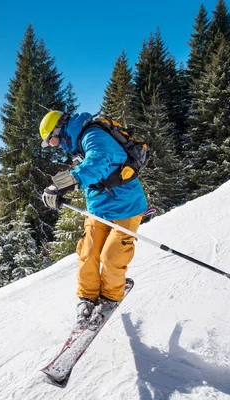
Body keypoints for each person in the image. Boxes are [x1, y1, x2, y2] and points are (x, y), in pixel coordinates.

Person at [39, 110, 148, 329]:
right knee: (88, 253)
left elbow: (98, 162)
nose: (55, 146)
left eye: (52, 140)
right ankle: (87, 298)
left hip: (126, 207)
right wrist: (56, 189)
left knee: (112, 256)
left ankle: (109, 298)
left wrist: (64, 184)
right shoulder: (78, 142)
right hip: (98, 208)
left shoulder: (93, 135)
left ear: (60, 129)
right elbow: (86, 169)